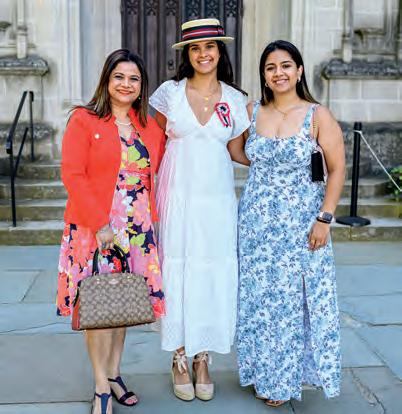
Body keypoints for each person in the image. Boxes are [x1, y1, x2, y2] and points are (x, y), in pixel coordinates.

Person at [56, 49, 165, 414]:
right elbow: (73, 174)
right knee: (99, 306)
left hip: (138, 228)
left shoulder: (149, 127)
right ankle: (101, 384)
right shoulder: (84, 120)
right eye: (119, 76)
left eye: (134, 79)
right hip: (96, 227)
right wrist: (100, 223)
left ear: (141, 86)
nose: (126, 84)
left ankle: (115, 373)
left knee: (123, 303)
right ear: (106, 79)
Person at [236, 40, 345, 406]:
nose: (278, 73)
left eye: (285, 65)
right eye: (270, 67)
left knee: (293, 302)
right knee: (259, 300)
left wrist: (324, 218)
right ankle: (261, 372)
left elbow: (337, 169)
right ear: (264, 75)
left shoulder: (318, 115)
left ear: (298, 70)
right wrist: (271, 170)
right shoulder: (251, 111)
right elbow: (236, 150)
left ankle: (284, 380)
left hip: (302, 225)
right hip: (256, 224)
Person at [150, 18, 250, 402]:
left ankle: (202, 357)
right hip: (177, 196)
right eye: (195, 48)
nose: (203, 54)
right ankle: (178, 355)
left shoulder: (236, 100)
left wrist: (282, 161)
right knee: (176, 270)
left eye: (210, 46)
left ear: (220, 51)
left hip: (217, 200)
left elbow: (238, 151)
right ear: (187, 55)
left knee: (211, 271)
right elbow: (153, 146)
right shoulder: (169, 94)